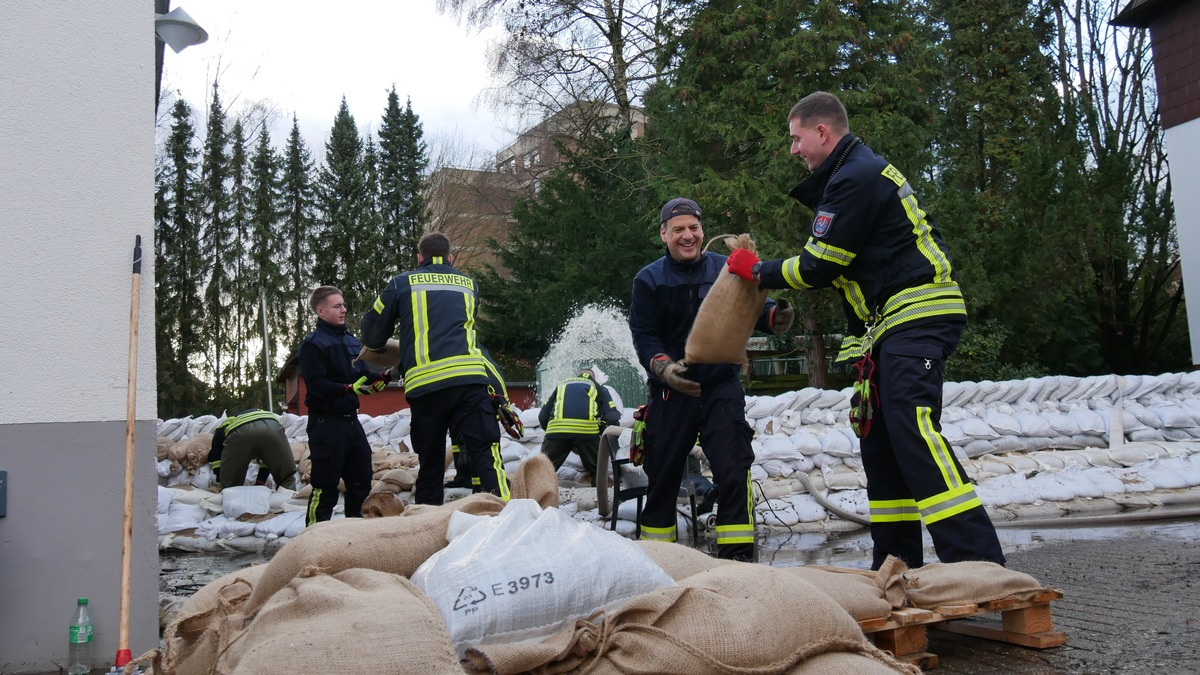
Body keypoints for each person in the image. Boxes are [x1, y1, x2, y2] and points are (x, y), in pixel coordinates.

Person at [726, 90, 1005, 569]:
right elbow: (855, 273)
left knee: (910, 426)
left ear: (822, 132)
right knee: (879, 442)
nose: (793, 150)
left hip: (917, 315)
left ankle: (978, 565)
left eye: (796, 139)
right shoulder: (850, 176)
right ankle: (896, 566)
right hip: (891, 325)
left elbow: (819, 267)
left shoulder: (854, 178)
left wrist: (756, 271)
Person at [629, 197, 794, 561]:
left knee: (733, 472)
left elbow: (755, 305)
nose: (687, 236)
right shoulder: (649, 280)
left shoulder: (727, 268)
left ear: (702, 230)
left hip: (720, 388)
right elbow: (644, 335)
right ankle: (661, 563)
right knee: (662, 481)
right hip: (672, 393)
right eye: (678, 230)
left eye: (694, 228)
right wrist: (662, 367)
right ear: (663, 234)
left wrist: (774, 318)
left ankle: (737, 563)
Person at [360, 232, 511, 505]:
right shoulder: (470, 284)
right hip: (469, 383)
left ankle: (427, 530)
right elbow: (455, 336)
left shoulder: (400, 283)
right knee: (487, 458)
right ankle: (506, 522)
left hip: (426, 390)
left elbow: (372, 337)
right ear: (450, 257)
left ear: (420, 258)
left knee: (430, 467)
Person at [298, 285, 392, 525]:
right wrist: (348, 389)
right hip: (326, 424)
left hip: (352, 423)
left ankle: (353, 536)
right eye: (337, 306)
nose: (343, 310)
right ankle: (313, 537)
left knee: (361, 483)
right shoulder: (313, 344)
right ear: (321, 311)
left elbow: (364, 375)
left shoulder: (352, 342)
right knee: (325, 487)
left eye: (344, 305)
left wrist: (383, 377)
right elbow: (317, 385)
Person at [537, 368, 620, 485]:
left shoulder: (562, 385)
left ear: (578, 375)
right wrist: (603, 434)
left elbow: (543, 416)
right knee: (598, 472)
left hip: (557, 430)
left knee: (543, 469)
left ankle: (536, 498)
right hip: (587, 432)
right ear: (593, 378)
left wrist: (550, 433)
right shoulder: (598, 387)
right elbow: (611, 417)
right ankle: (599, 499)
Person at [209, 408, 298, 491]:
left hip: (240, 431)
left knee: (231, 488)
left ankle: (231, 498)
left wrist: (222, 485)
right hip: (272, 425)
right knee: (286, 477)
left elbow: (216, 460)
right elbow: (270, 459)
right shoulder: (262, 416)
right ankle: (290, 503)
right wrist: (260, 482)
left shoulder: (221, 428)